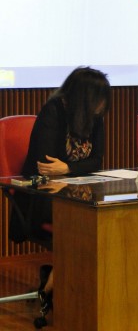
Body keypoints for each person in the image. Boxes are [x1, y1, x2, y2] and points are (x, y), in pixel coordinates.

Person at [19, 66, 111, 317]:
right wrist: (74, 169)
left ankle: (54, 283)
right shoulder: (54, 111)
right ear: (84, 97)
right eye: (99, 99)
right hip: (43, 196)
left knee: (104, 220)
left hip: (79, 192)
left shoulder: (95, 118)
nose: (103, 105)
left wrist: (69, 167)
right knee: (83, 224)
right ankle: (64, 290)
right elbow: (46, 166)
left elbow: (97, 161)